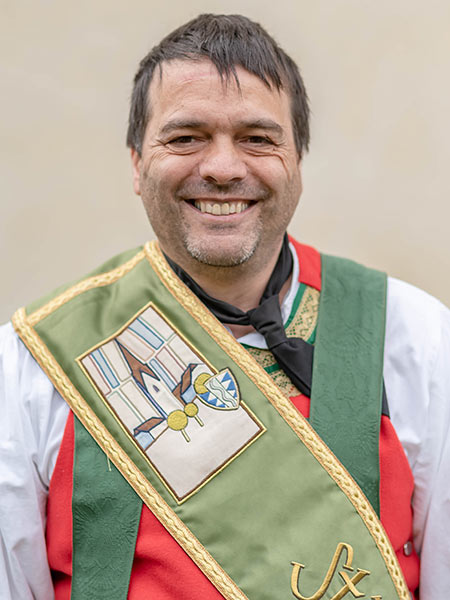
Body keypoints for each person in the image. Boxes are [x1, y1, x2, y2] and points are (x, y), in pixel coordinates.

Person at [0, 13, 449, 600]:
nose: (221, 168)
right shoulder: (30, 367)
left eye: (257, 138)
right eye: (185, 137)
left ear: (298, 161)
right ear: (137, 163)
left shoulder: (415, 336)